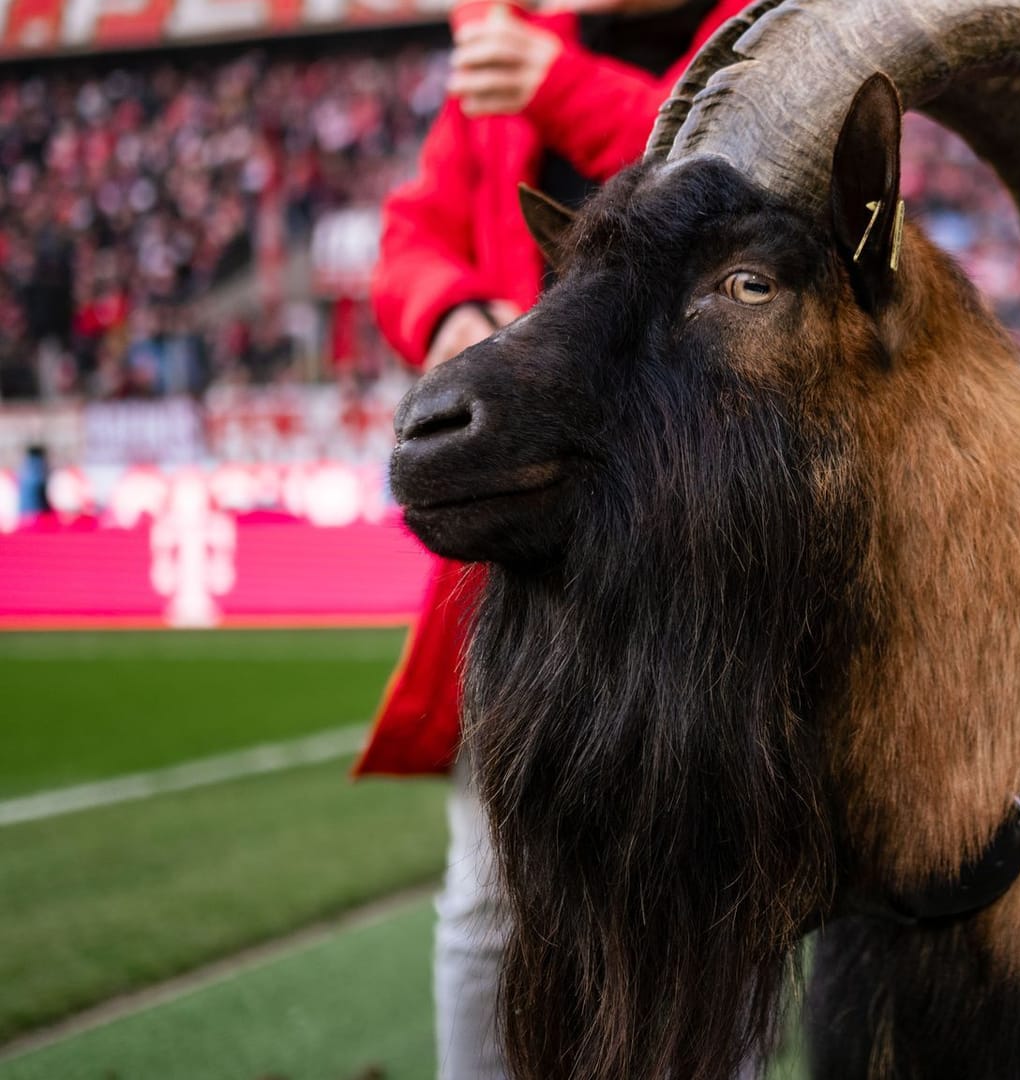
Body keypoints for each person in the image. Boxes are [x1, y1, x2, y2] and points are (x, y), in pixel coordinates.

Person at [354, 2, 756, 1078]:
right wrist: (448, 313)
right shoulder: (519, 39)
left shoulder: (752, 24)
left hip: (698, 537)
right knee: (490, 891)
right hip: (523, 529)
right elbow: (410, 239)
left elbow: (739, 176)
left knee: (716, 896)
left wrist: (555, 80)